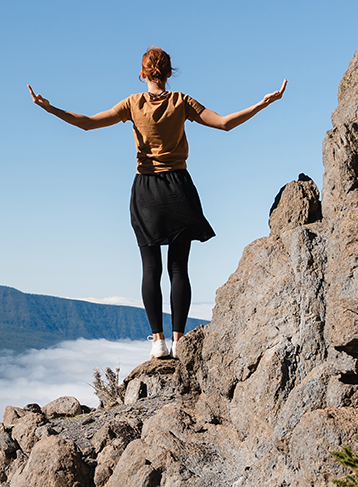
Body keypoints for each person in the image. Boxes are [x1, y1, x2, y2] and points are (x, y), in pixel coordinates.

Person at [28, 46, 285, 360]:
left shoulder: (133, 104)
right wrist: (262, 104)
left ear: (142, 73)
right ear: (169, 72)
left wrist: (49, 108)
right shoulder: (181, 101)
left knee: (150, 268)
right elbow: (225, 123)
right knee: (179, 268)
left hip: (147, 191)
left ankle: (157, 342)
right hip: (179, 187)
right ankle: (179, 341)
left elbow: (87, 123)